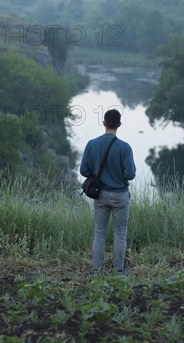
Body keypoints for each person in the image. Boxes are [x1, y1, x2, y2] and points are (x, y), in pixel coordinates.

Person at [80, 109, 136, 277]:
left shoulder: (92, 144)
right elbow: (130, 174)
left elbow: (84, 170)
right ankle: (119, 272)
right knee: (120, 234)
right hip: (120, 196)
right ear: (119, 125)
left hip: (101, 194)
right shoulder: (125, 147)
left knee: (99, 234)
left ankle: (96, 272)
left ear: (104, 123)